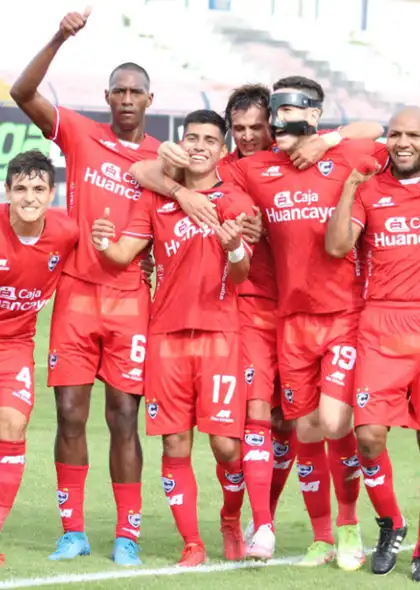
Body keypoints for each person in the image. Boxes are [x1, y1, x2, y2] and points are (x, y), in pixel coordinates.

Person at [130, 82, 385, 559]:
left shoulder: (305, 150)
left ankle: (298, 519)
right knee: (257, 418)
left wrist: (327, 140)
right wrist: (178, 192)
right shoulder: (235, 170)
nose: (248, 136)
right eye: (240, 129)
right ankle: (264, 525)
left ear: (275, 122)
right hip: (247, 307)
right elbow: (143, 168)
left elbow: (380, 131)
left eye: (256, 127)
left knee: (299, 424)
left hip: (306, 308)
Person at [9, 7, 158, 564]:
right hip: (75, 295)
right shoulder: (80, 133)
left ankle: (127, 535)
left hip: (131, 303)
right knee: (70, 414)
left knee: (124, 417)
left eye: (134, 91)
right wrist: (58, 37)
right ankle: (72, 530)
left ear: (147, 100)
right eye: (117, 90)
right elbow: (23, 91)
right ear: (107, 96)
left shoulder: (164, 159)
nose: (124, 98)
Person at [90, 110, 255, 566]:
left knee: (226, 446)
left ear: (223, 150)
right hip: (165, 337)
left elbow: (242, 273)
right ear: (180, 144)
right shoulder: (156, 200)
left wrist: (234, 247)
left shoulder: (235, 200)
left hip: (220, 335)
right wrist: (104, 242)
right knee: (174, 443)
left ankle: (229, 517)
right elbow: (122, 254)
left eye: (209, 139)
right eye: (191, 138)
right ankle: (192, 544)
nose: (199, 146)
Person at [325, 105, 420, 580]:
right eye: (396, 134)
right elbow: (339, 246)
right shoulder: (368, 189)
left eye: (414, 135)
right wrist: (347, 188)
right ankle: (391, 524)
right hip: (380, 326)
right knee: (367, 436)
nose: (403, 142)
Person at [0, 150, 79, 566]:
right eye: (20, 189)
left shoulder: (67, 232)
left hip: (14, 345)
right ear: (7, 191)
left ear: (51, 194)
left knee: (13, 422)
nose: (29, 197)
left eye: (38, 189)